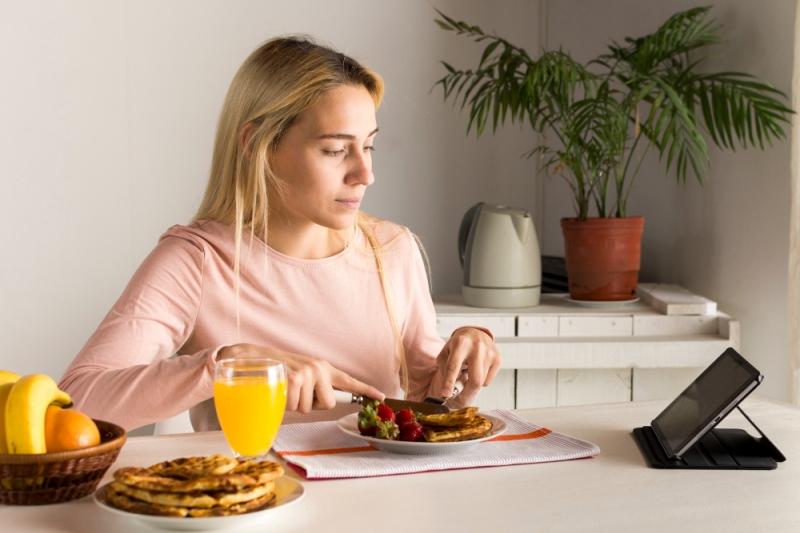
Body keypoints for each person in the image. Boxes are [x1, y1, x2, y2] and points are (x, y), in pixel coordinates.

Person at [59, 36, 501, 432]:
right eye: (334, 150)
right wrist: (225, 366)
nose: (365, 174)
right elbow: (74, 405)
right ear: (258, 146)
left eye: (368, 145)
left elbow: (426, 405)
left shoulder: (392, 250)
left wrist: (463, 358)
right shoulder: (196, 260)